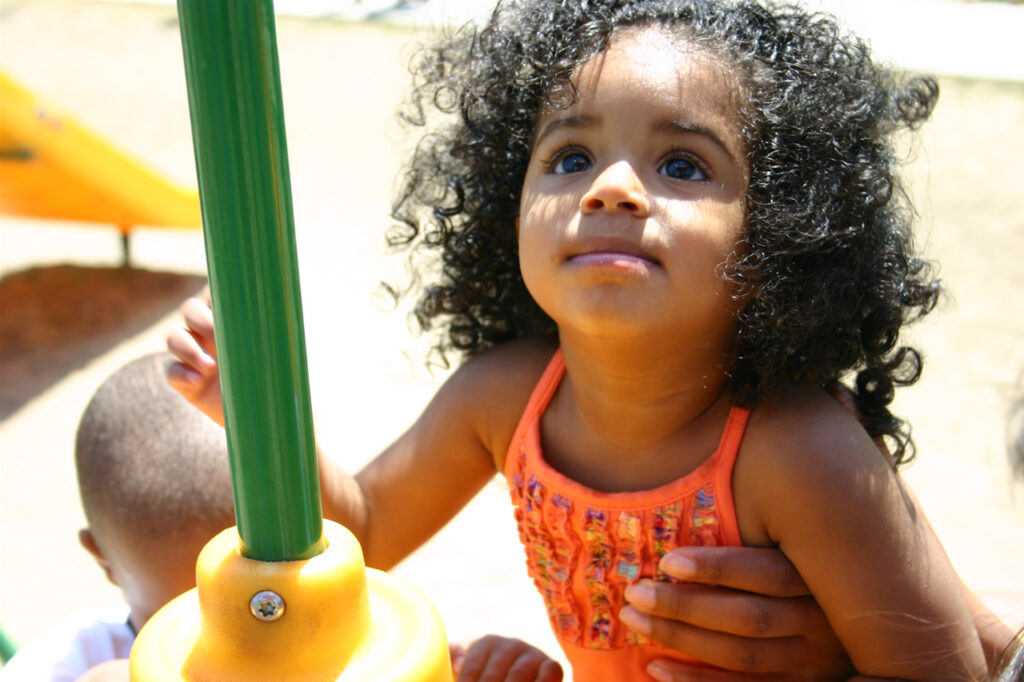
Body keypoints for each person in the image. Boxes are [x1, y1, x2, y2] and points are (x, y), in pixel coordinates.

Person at [167, 0, 1003, 678]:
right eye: (569, 156)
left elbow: (950, 670)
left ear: (779, 234)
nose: (610, 188)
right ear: (509, 199)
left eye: (682, 165)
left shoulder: (801, 454)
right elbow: (372, 526)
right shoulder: (507, 398)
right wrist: (254, 405)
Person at [0, 353, 235, 681]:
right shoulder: (59, 666)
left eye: (254, 606)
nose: (207, 643)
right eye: (170, 617)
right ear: (103, 558)